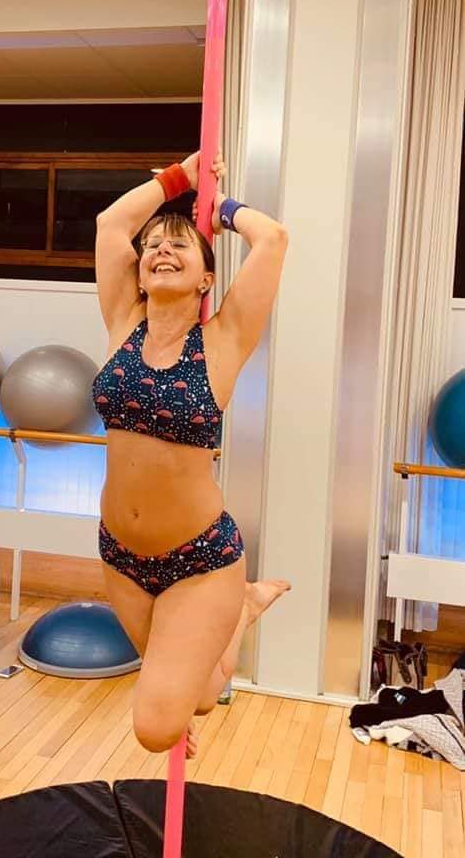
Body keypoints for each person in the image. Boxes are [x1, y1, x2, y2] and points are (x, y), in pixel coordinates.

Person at [93, 150, 290, 758]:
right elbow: (111, 223)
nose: (161, 250)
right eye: (153, 245)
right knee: (199, 698)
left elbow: (272, 238)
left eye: (180, 245)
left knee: (156, 729)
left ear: (207, 279)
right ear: (139, 273)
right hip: (119, 553)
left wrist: (219, 206)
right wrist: (179, 177)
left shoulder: (222, 341)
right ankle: (243, 610)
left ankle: (235, 601)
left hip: (199, 558)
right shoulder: (122, 322)